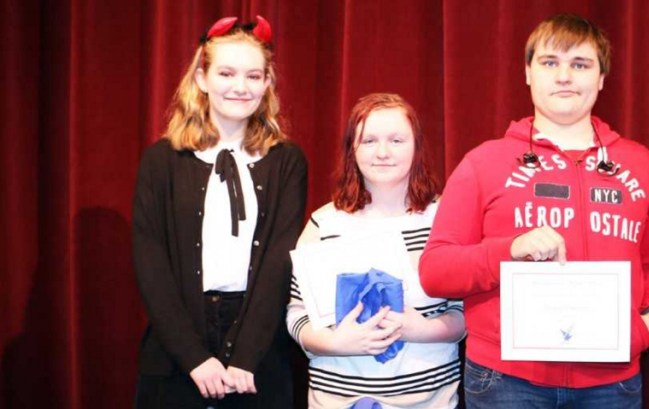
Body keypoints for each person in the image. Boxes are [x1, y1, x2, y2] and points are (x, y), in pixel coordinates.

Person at [419, 14, 649, 409]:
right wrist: (509, 249)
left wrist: (646, 329)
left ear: (602, 77)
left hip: (611, 383)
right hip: (507, 380)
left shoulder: (639, 164)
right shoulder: (484, 162)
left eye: (580, 64)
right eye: (550, 62)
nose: (564, 77)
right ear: (528, 73)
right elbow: (435, 270)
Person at [132, 15, 306, 408]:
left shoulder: (286, 161)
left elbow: (280, 259)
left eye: (253, 76)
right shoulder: (162, 160)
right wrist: (194, 358)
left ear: (267, 84)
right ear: (201, 79)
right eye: (226, 73)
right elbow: (150, 262)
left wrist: (247, 356)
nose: (240, 87)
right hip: (177, 348)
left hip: (259, 347)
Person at [286, 93, 465, 408]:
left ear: (417, 146)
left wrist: (420, 329)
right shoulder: (324, 223)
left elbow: (465, 314)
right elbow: (296, 314)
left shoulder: (446, 218)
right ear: (351, 150)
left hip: (428, 401)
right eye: (369, 141)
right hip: (335, 401)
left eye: (396, 140)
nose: (383, 152)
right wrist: (335, 343)